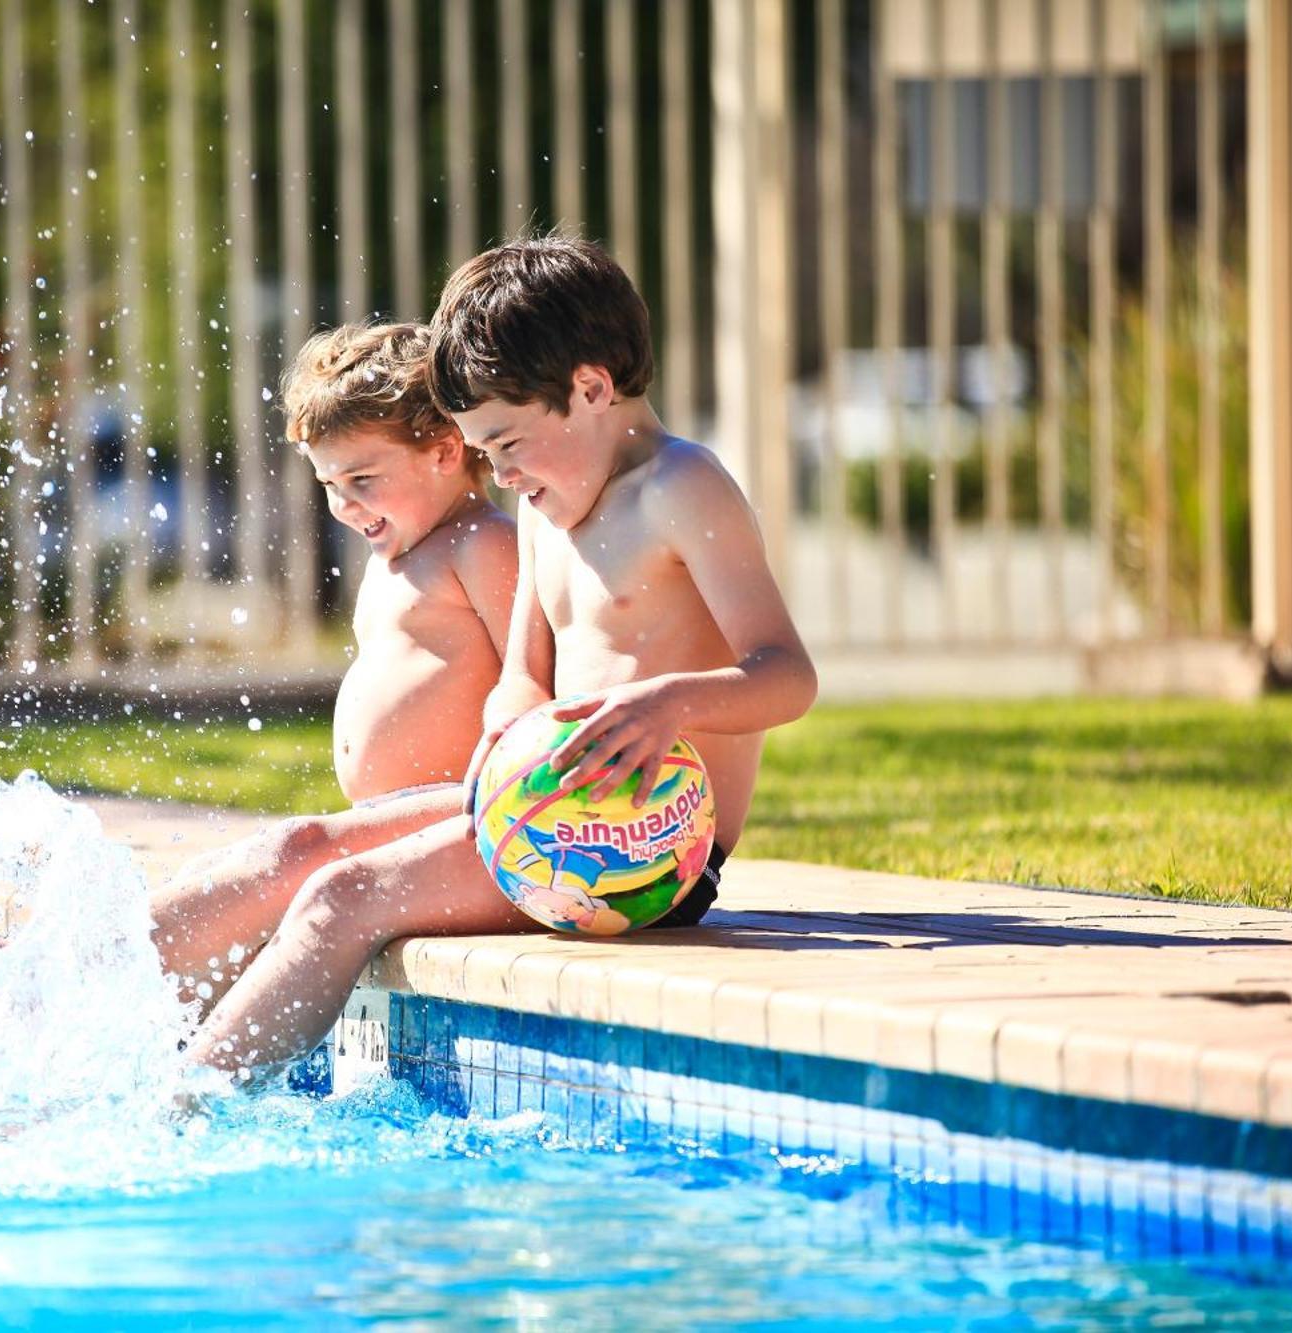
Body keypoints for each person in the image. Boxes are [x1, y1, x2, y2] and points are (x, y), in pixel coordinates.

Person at [178, 234, 817, 1082]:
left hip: (641, 843)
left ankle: (186, 1109)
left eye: (507, 443)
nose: (501, 473)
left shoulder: (681, 489)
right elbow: (524, 669)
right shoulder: (548, 512)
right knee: (299, 850)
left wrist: (667, 705)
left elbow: (787, 674)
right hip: (545, 804)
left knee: (343, 899)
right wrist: (503, 723)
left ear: (590, 387)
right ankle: (77, 1006)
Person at [0, 322, 518, 1011]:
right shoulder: (403, 551)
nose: (344, 505)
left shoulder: (482, 546)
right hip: (402, 819)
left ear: (444, 449)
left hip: (464, 820)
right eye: (330, 484)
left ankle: (29, 985)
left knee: (294, 848)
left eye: (363, 479)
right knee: (243, 868)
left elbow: (535, 693)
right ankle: (55, 972)